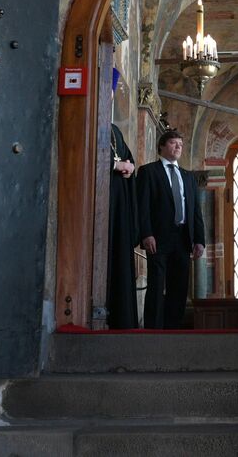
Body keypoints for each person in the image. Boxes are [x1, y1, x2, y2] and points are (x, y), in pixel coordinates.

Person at [136, 129, 205, 329]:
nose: (178, 147)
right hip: (158, 237)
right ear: (162, 146)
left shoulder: (188, 177)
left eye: (180, 145)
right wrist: (146, 233)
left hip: (183, 238)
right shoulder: (149, 172)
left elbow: (195, 211)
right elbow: (143, 207)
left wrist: (199, 240)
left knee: (179, 286)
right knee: (157, 285)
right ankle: (153, 330)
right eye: (174, 143)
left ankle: (173, 329)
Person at [106, 123, 139, 329]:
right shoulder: (91, 120)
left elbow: (127, 156)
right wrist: (114, 166)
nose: (109, 94)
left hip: (119, 198)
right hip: (101, 194)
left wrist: (130, 167)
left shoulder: (114, 130)